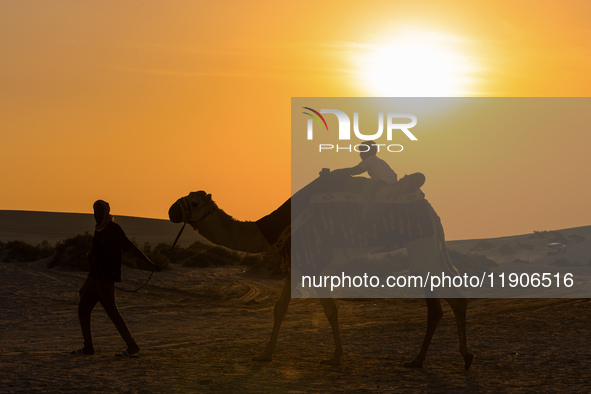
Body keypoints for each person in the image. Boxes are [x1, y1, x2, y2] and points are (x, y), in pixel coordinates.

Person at [71, 200, 162, 357]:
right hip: (93, 277)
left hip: (105, 278)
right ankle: (88, 347)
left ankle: (132, 346)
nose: (97, 216)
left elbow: (131, 248)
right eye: (95, 212)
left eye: (100, 212)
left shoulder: (114, 229)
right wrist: (90, 256)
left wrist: (149, 263)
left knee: (112, 312)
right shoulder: (98, 229)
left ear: (106, 213)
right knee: (83, 309)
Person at [330, 140, 398, 184]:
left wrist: (337, 172)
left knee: (365, 185)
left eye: (362, 152)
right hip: (392, 182)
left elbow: (355, 171)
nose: (360, 154)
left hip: (384, 183)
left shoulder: (369, 160)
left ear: (368, 152)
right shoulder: (378, 160)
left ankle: (367, 205)